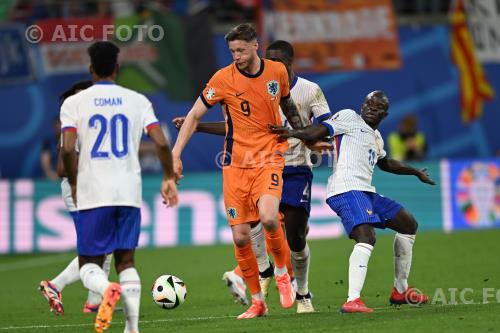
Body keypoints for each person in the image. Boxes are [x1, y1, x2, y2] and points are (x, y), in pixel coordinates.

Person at [172, 40, 333, 314]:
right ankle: (270, 283)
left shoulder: (308, 90)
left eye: (279, 62)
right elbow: (236, 126)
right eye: (269, 60)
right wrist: (197, 127)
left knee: (295, 235)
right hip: (257, 164)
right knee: (259, 225)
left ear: (290, 63)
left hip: (294, 167)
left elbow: (323, 126)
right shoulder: (252, 81)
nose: (273, 66)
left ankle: (294, 287)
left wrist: (308, 141)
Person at [271, 90, 435, 313]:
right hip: (345, 188)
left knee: (408, 224)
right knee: (366, 235)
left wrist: (415, 172)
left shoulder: (376, 137)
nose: (370, 108)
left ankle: (400, 290)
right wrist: (292, 132)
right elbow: (316, 132)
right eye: (368, 104)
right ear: (362, 105)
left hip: (366, 191)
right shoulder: (348, 117)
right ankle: (353, 300)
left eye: (377, 107)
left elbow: (385, 163)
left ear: (384, 115)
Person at [60, 41, 178, 333]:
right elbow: (161, 142)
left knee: (90, 261)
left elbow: (67, 149)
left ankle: (106, 288)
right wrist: (168, 177)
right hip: (128, 191)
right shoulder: (137, 100)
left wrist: (74, 181)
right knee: (126, 261)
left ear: (91, 69)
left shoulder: (74, 103)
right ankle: (132, 328)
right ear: (117, 68)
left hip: (93, 191)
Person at [38, 80, 117, 316]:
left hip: (93, 189)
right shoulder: (71, 127)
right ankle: (55, 285)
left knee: (106, 246)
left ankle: (93, 302)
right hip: (78, 190)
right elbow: (63, 169)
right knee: (96, 249)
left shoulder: (92, 126)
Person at [40, 116, 61, 180]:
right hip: (51, 177)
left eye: (61, 125)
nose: (59, 128)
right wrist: (51, 174)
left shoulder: (73, 141)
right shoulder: (48, 142)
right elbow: (45, 163)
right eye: (57, 126)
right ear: (53, 127)